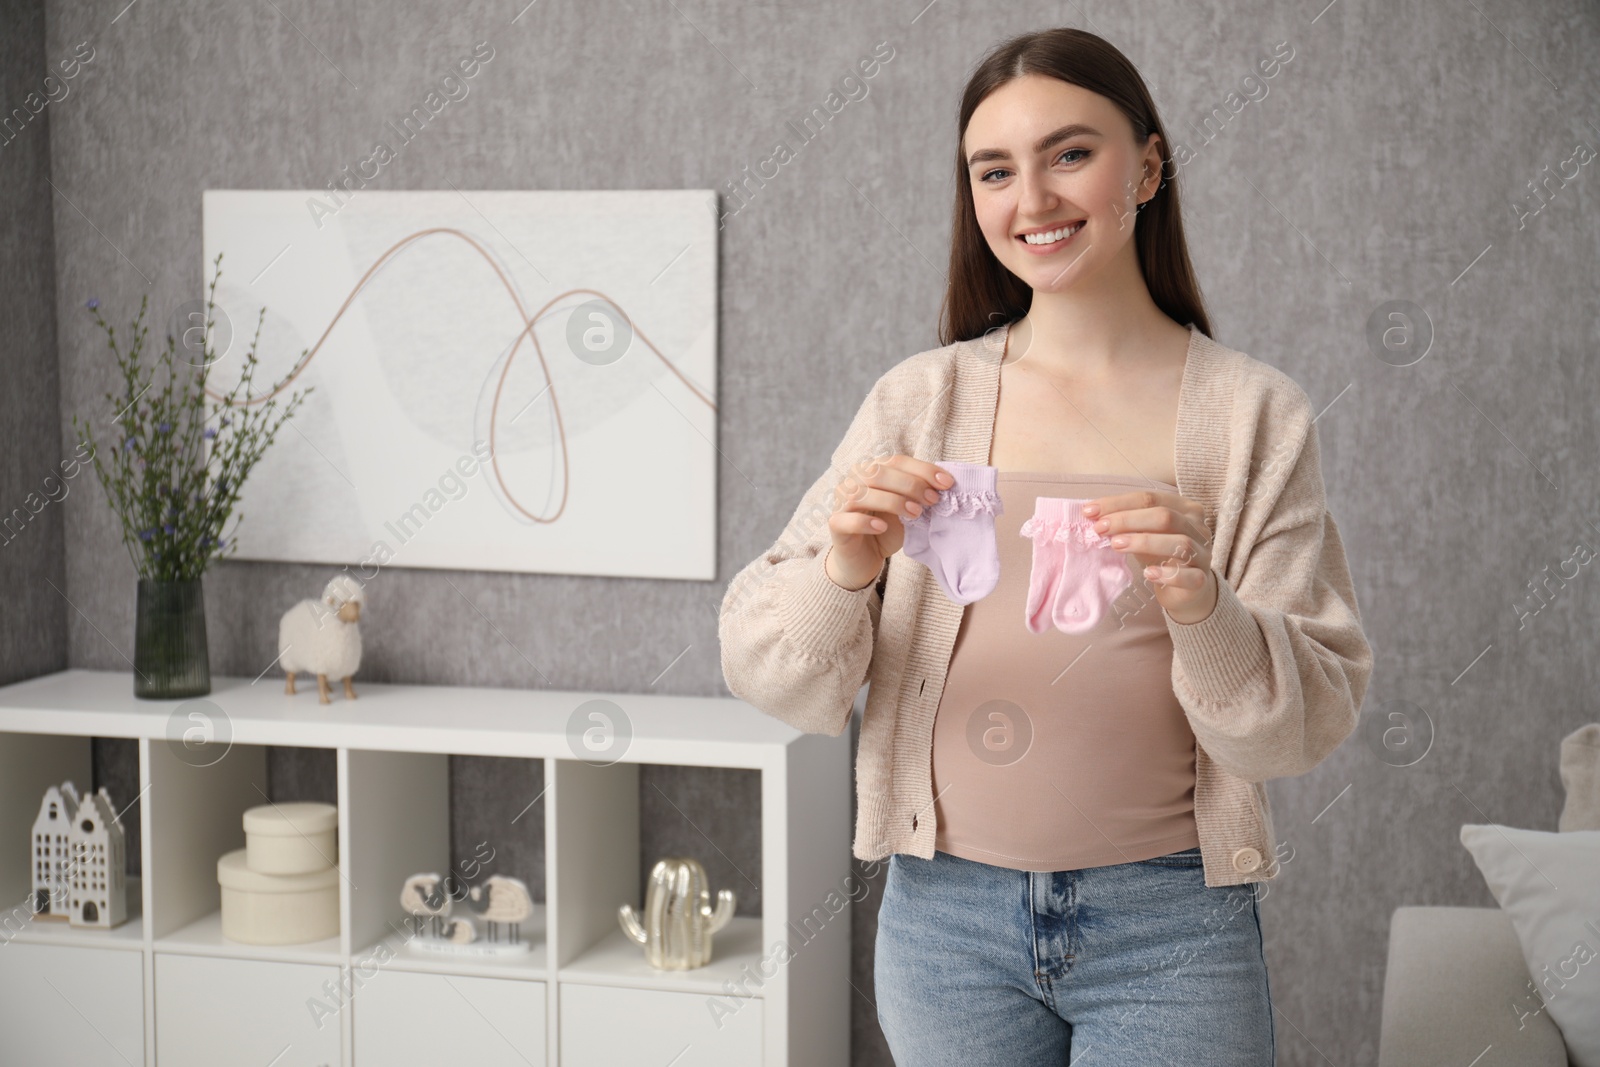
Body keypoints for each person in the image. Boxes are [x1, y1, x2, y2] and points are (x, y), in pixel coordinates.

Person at [719, 26, 1372, 1067]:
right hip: (945, 925)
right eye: (994, 170)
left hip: (1172, 927)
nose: (1031, 200)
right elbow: (770, 669)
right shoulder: (918, 399)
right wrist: (846, 568)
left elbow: (1298, 726)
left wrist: (1203, 605)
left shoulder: (1254, 416)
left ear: (1147, 165)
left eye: (1070, 153)